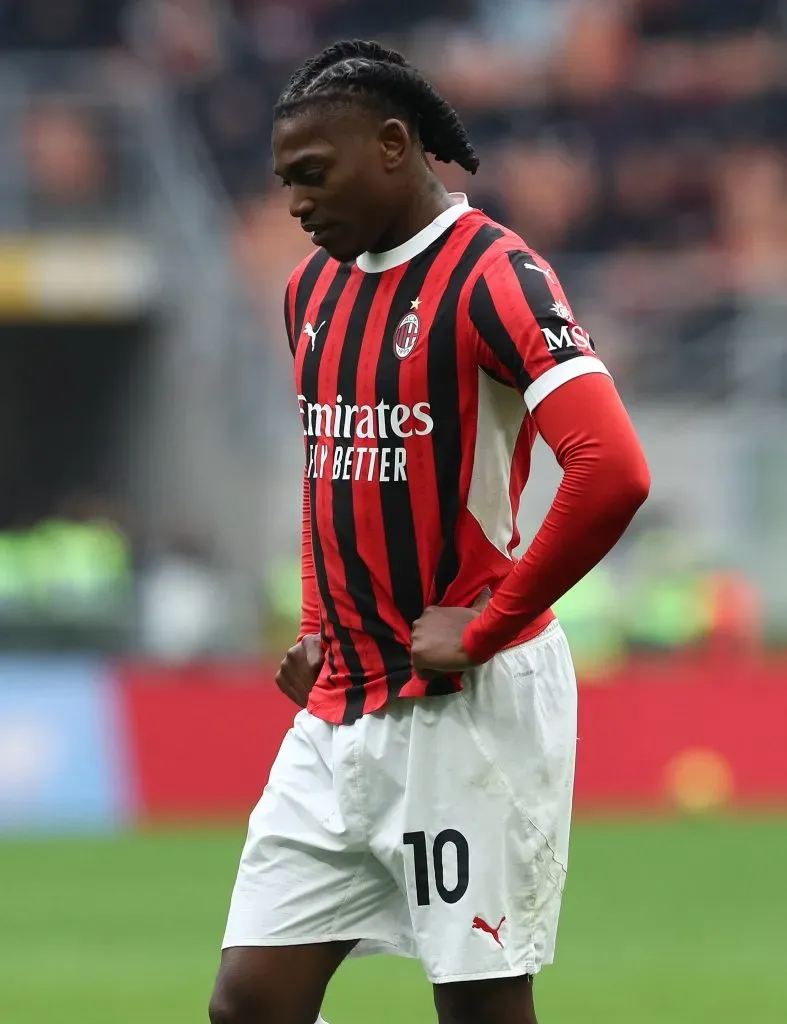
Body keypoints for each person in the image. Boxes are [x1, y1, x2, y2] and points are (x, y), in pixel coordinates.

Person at [209, 39, 650, 1024]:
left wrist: (488, 623)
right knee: (249, 1001)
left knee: (479, 1008)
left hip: (472, 709)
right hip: (342, 707)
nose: (295, 204)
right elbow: (332, 473)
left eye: (313, 176)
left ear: (395, 146)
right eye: (285, 183)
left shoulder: (499, 276)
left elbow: (612, 470)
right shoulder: (308, 295)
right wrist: (321, 627)